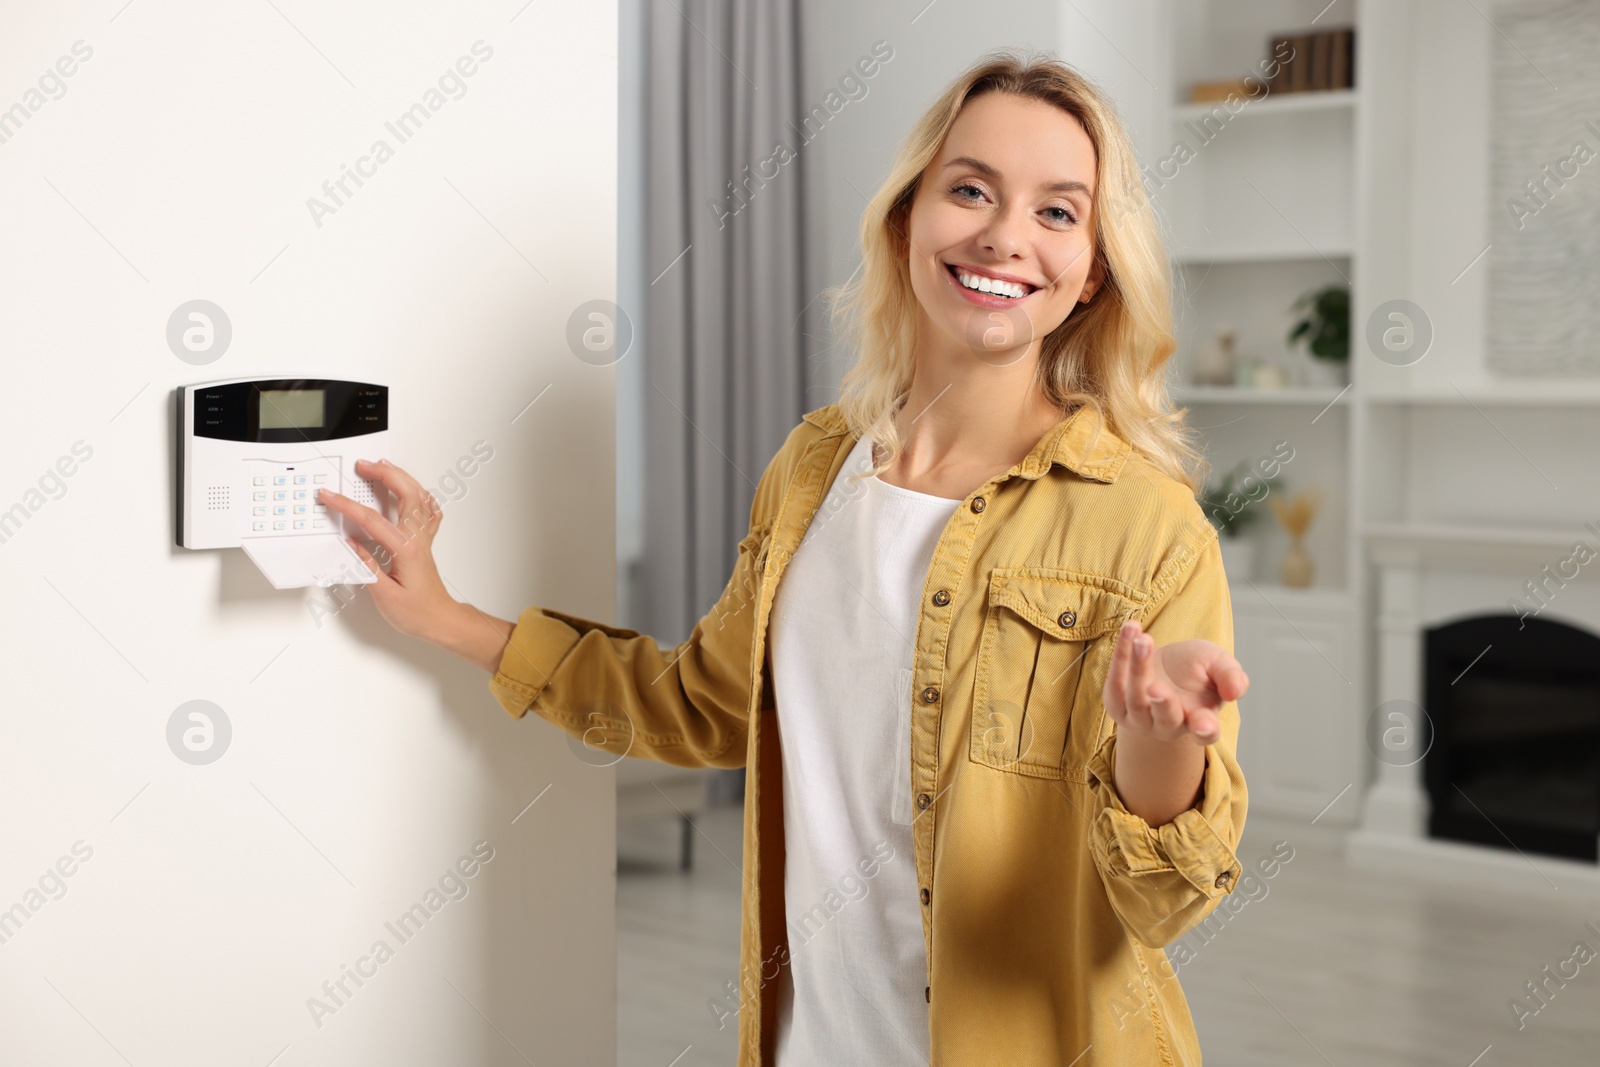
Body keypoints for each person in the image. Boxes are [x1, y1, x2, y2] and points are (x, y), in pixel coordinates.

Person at [318, 49, 1251, 1067]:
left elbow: (1165, 894)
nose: (1002, 235)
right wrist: (446, 615)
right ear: (906, 221)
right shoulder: (813, 469)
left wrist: (1161, 739)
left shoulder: (1145, 523)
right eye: (970, 189)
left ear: (1093, 271)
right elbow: (704, 706)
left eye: (1057, 212)